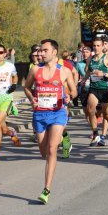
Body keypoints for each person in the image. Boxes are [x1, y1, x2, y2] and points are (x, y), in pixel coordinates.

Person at [24, 39, 77, 204]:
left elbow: (74, 91)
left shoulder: (64, 71)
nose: (41, 53)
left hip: (57, 113)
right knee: (44, 152)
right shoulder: (35, 69)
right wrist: (32, 98)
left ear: (54, 52)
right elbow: (26, 87)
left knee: (53, 149)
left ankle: (46, 189)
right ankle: (62, 140)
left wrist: (69, 97)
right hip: (39, 114)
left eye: (45, 50)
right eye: (40, 50)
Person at [81, 37, 108, 146]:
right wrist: (84, 80)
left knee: (107, 115)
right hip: (94, 89)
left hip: (106, 90)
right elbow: (88, 72)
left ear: (103, 46)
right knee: (90, 110)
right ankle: (95, 134)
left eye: (98, 45)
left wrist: (104, 74)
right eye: (94, 46)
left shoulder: (107, 59)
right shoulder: (90, 59)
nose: (96, 48)